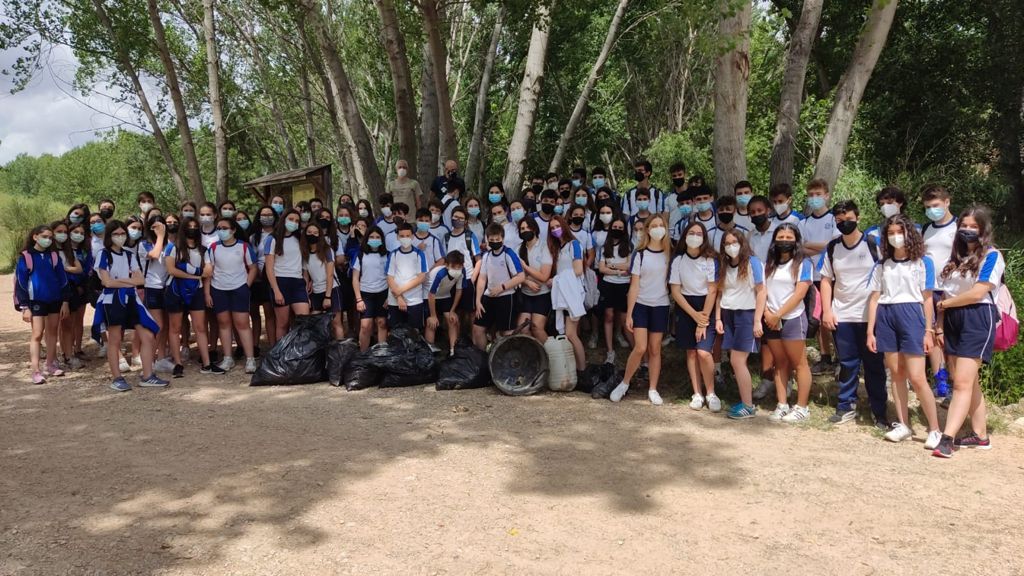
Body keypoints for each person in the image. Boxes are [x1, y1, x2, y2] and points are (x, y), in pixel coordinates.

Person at [866, 213, 942, 446]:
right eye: (891, 233)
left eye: (900, 232)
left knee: (917, 377)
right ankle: (903, 424)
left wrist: (929, 331)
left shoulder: (923, 262)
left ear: (910, 233)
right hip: (887, 316)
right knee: (896, 373)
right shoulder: (882, 265)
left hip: (912, 315)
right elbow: (874, 299)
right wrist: (871, 331)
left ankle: (935, 429)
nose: (896, 237)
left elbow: (927, 298)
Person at [933, 206, 1004, 457]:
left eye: (974, 227)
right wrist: (939, 326)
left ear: (983, 230)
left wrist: (945, 305)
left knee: (961, 382)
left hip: (977, 318)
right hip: (951, 320)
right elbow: (943, 294)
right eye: (964, 226)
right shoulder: (953, 260)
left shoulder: (992, 256)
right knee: (968, 382)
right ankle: (981, 436)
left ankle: (947, 438)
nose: (968, 230)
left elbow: (977, 292)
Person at [819, 201, 888, 428]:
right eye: (838, 220)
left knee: (874, 366)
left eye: (847, 218)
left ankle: (879, 412)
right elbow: (826, 280)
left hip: (871, 317)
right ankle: (846, 406)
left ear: (857, 217)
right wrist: (827, 311)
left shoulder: (873, 244)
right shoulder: (832, 248)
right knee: (847, 364)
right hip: (843, 315)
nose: (843, 223)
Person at [94, 221, 167, 391]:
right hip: (113, 300)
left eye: (122, 234)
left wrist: (119, 281)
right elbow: (106, 282)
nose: (120, 237)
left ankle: (148, 375)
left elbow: (140, 280)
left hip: (132, 298)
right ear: (109, 236)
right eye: (116, 234)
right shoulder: (103, 254)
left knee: (148, 335)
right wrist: (128, 281)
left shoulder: (128, 255)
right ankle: (117, 378)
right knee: (115, 339)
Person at [610, 214, 672, 405]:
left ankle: (653, 389)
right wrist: (629, 313)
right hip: (641, 305)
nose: (658, 229)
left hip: (660, 305)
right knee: (640, 347)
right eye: (654, 225)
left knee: (655, 349)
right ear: (647, 230)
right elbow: (634, 285)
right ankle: (624, 383)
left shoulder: (670, 253)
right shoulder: (640, 253)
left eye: (661, 225)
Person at [762, 223, 814, 422]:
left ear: (796, 240)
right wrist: (767, 313)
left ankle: (802, 407)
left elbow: (800, 293)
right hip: (771, 319)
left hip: (792, 319)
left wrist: (779, 315)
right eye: (780, 237)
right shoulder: (769, 264)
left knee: (799, 363)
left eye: (789, 238)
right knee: (779, 362)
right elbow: (762, 291)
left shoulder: (803, 263)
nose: (784, 241)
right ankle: (782, 404)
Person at [670, 222, 720, 411]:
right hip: (685, 307)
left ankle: (711, 392)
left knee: (704, 352)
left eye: (699, 233)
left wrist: (703, 319)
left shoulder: (710, 259)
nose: (695, 236)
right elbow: (675, 290)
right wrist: (693, 315)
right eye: (691, 232)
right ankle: (697, 393)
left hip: (706, 306)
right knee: (691, 351)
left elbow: (712, 290)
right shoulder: (678, 260)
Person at [716, 231, 766, 419]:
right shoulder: (724, 265)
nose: (731, 246)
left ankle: (748, 406)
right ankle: (745, 401)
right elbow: (720, 293)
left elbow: (761, 292)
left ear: (742, 243)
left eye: (734, 242)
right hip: (728, 315)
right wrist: (719, 318)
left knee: (738, 360)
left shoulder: (753, 263)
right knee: (735, 360)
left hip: (747, 315)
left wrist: (757, 320)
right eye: (727, 243)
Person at [15, 225, 69, 384]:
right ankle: (35, 370)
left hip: (55, 299)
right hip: (36, 300)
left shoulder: (53, 256)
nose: (48, 240)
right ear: (35, 237)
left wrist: (65, 301)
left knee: (53, 332)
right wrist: (25, 307)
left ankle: (50, 364)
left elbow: (63, 280)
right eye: (45, 236)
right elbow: (21, 283)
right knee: (37, 334)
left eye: (50, 237)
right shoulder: (26, 257)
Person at [165, 217, 219, 377]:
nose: (193, 229)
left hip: (197, 292)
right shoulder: (173, 248)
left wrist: (197, 278)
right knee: (175, 329)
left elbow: (208, 272)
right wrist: (196, 274)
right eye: (189, 226)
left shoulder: (204, 250)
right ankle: (178, 363)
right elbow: (171, 270)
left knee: (201, 327)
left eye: (196, 226)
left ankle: (207, 363)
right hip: (175, 291)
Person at [798, 178, 840, 375]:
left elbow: (833, 246)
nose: (814, 198)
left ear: (826, 196)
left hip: (831, 276)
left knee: (833, 317)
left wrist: (810, 246)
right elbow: (799, 247)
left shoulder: (834, 219)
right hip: (811, 276)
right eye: (811, 195)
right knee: (818, 317)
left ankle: (841, 357)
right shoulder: (803, 222)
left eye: (818, 195)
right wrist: (820, 245)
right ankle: (825, 357)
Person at [207, 218, 258, 374]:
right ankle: (228, 357)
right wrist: (207, 293)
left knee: (242, 323)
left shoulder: (243, 246)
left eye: (225, 227)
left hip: (239, 288)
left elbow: (253, 268)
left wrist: (246, 286)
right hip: (219, 289)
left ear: (233, 230)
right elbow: (209, 272)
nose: (221, 230)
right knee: (223, 323)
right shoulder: (213, 247)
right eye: (219, 228)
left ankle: (250, 359)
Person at [921, 184, 957, 399]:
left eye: (935, 205)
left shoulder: (960, 228)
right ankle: (940, 381)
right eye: (927, 207)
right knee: (933, 335)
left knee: (951, 337)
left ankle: (956, 382)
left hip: (952, 291)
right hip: (930, 290)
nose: (931, 210)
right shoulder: (926, 228)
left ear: (947, 202)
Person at [473, 224, 525, 350]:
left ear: (502, 238)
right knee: (477, 328)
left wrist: (501, 287)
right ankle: (483, 359)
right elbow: (482, 278)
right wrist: (478, 300)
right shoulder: (486, 256)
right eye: (492, 240)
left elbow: (520, 276)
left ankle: (508, 360)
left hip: (506, 298)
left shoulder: (509, 254)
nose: (495, 242)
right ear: (487, 239)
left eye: (497, 240)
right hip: (488, 296)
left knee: (507, 332)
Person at [550, 216, 587, 376]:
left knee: (572, 334)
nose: (555, 230)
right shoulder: (558, 248)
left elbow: (578, 270)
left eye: (557, 226)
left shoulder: (574, 244)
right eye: (552, 228)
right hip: (562, 295)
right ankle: (574, 369)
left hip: (573, 294)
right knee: (567, 334)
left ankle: (582, 370)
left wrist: (557, 279)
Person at [265, 209, 311, 342]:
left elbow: (304, 264)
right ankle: (281, 356)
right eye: (291, 219)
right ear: (283, 220)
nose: (294, 223)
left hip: (298, 283)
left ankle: (302, 354)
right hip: (280, 282)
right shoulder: (272, 239)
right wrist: (276, 291)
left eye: (297, 221)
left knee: (304, 322)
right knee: (283, 324)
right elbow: (269, 268)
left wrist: (306, 283)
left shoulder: (300, 238)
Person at [137, 215, 171, 373]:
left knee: (166, 325)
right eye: (154, 227)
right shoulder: (143, 245)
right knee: (158, 325)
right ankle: (149, 359)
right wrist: (161, 236)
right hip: (152, 287)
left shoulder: (169, 244)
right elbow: (155, 254)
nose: (158, 229)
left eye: (160, 226)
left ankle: (161, 357)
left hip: (168, 287)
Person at [597, 215, 633, 364]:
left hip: (625, 285)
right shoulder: (605, 246)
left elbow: (629, 267)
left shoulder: (629, 246)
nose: (617, 230)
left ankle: (629, 344)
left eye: (620, 228)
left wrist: (611, 266)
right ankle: (610, 351)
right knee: (609, 315)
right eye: (615, 227)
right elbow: (601, 269)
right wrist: (619, 270)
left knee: (624, 318)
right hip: (608, 285)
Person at [517, 216, 555, 343]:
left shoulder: (544, 247)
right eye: (522, 229)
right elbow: (515, 275)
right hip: (525, 294)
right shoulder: (519, 249)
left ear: (534, 229)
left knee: (537, 327)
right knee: (523, 328)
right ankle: (533, 357)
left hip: (542, 295)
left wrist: (525, 267)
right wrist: (526, 281)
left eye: (528, 227)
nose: (525, 230)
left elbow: (544, 277)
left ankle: (552, 355)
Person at [303, 222, 344, 339]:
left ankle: (340, 352)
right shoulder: (305, 253)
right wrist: (306, 296)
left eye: (315, 233)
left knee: (336, 323)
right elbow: (306, 275)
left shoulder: (327, 250)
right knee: (314, 322)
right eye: (309, 232)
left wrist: (327, 296)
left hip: (331, 290)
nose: (312, 235)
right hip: (316, 291)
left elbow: (330, 274)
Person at [352, 226, 389, 351]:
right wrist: (358, 299)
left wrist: (389, 297)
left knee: (382, 323)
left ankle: (382, 353)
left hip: (383, 293)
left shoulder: (387, 255)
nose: (374, 239)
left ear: (382, 239)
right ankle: (363, 355)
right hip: (365, 294)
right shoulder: (361, 255)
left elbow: (391, 277)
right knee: (365, 326)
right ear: (366, 239)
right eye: (371, 237)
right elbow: (355, 278)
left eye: (377, 237)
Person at [386, 223, 429, 330]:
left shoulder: (419, 254)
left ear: (413, 236)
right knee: (396, 334)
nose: (405, 238)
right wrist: (399, 297)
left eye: (408, 236)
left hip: (414, 301)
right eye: (402, 236)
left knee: (415, 334)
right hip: (395, 302)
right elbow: (389, 277)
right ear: (397, 237)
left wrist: (400, 291)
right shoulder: (393, 254)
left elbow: (421, 277)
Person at [426, 251, 469, 355]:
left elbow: (459, 290)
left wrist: (452, 311)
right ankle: (429, 351)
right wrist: (433, 315)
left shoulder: (462, 272)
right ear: (446, 265)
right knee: (432, 323)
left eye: (459, 266)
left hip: (445, 296)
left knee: (452, 320)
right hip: (429, 296)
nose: (457, 269)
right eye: (454, 266)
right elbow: (431, 295)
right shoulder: (440, 274)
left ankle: (453, 351)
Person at [251, 206, 278, 347]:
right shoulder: (254, 237)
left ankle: (273, 346)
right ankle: (254, 346)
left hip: (272, 277)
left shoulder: (279, 235)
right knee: (254, 315)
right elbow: (251, 258)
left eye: (269, 214)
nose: (266, 217)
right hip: (256, 279)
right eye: (263, 214)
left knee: (270, 314)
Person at [66, 220, 92, 361]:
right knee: (67, 321)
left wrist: (82, 284)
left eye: (81, 233)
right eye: (75, 232)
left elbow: (88, 269)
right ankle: (67, 351)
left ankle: (78, 348)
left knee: (79, 320)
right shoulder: (65, 251)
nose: (78, 235)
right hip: (68, 288)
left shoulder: (85, 250)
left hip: (82, 288)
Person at [665, 162, 689, 234]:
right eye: (674, 176)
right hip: (673, 236)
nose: (677, 177)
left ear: (685, 174)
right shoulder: (668, 198)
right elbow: (665, 219)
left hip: (691, 234)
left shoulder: (693, 195)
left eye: (680, 174)